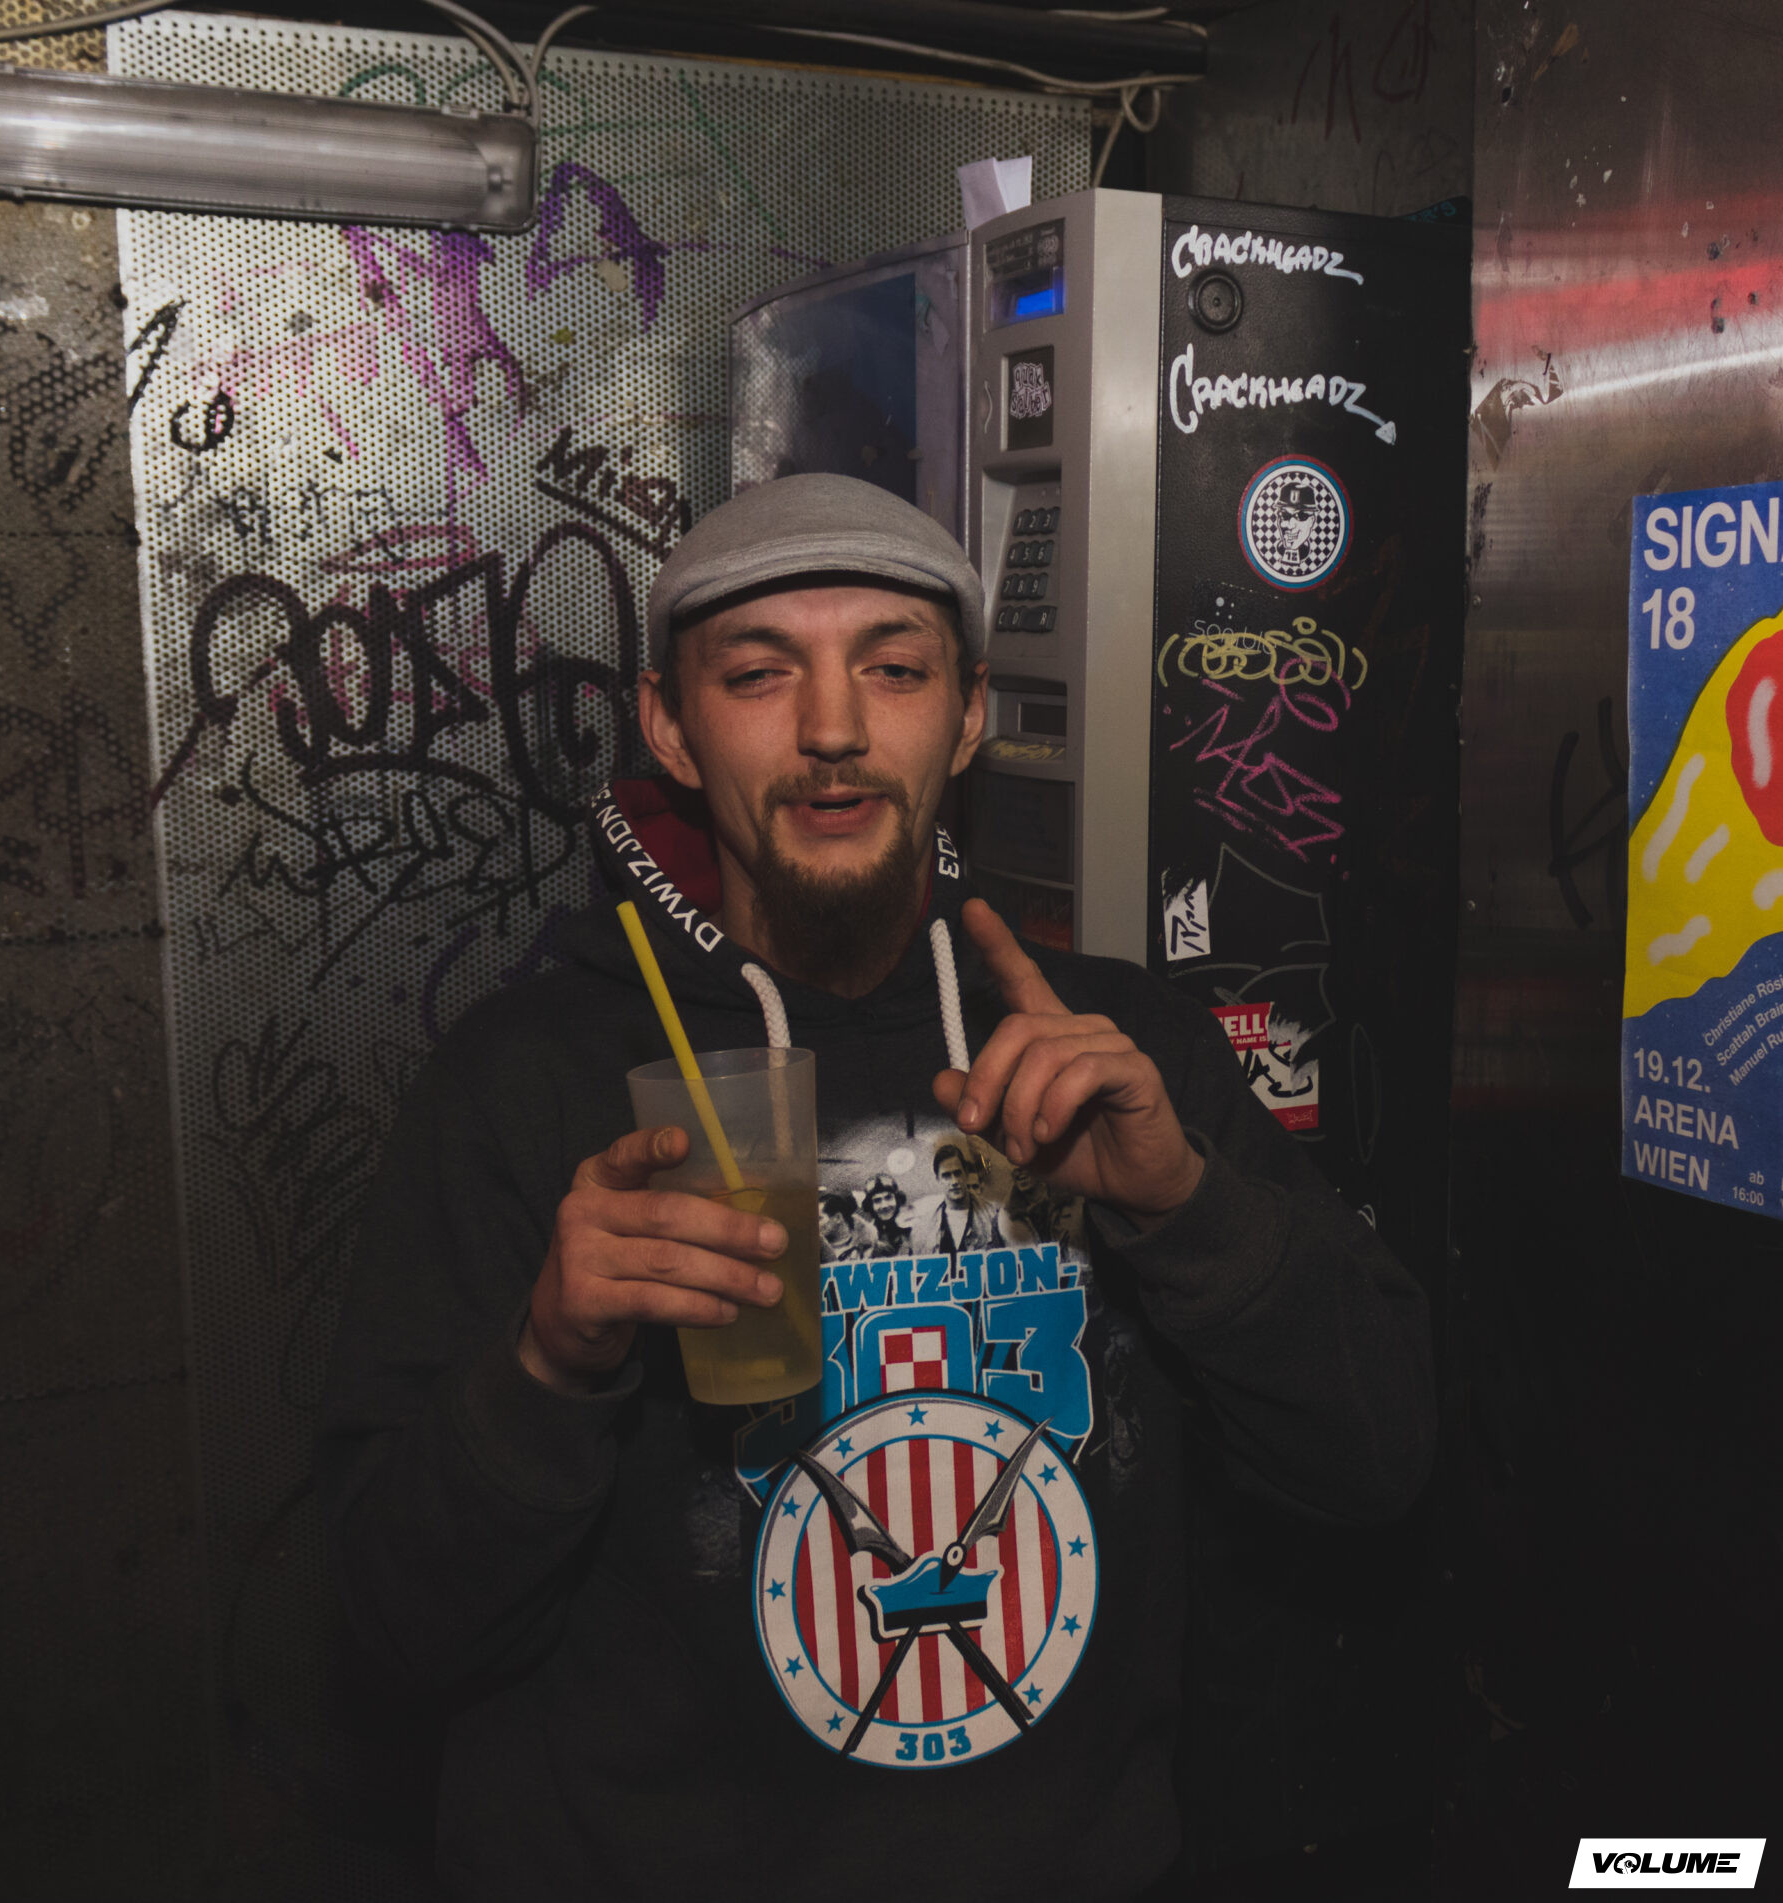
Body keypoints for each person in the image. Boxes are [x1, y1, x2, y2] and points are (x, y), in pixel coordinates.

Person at [318, 473, 1435, 1901]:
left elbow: (1377, 1461)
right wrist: (550, 1366)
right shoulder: (526, 1081)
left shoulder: (1115, 1053)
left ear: (967, 716)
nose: (834, 728)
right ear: (670, 726)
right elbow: (390, 1633)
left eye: (894, 670)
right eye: (758, 674)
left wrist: (1184, 1210)